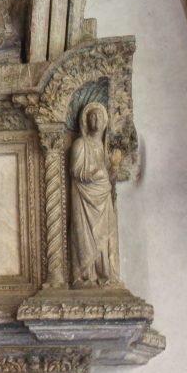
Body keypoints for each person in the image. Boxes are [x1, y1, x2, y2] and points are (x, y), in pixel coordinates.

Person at [69, 103, 120, 287]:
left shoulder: (104, 148)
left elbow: (109, 179)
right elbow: (75, 171)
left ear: (105, 121)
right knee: (85, 238)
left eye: (99, 116)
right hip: (84, 200)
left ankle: (104, 274)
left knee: (105, 237)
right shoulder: (80, 144)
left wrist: (114, 166)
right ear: (86, 121)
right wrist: (95, 174)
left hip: (103, 199)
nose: (96, 119)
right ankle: (85, 276)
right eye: (92, 116)